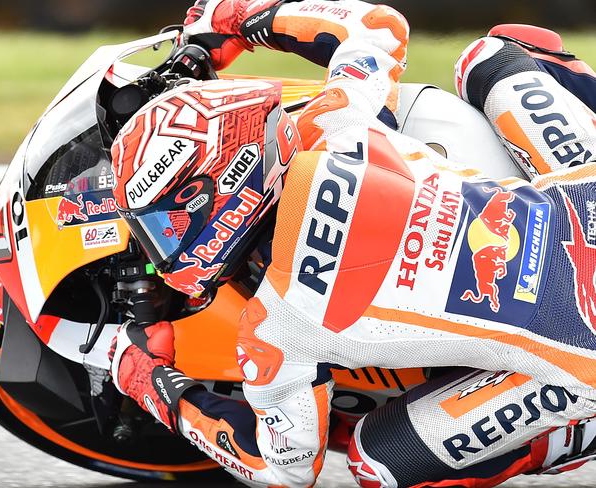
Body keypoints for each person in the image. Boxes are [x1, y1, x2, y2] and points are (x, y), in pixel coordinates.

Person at [108, 0, 596, 486]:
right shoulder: (339, 121)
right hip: (586, 197)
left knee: (374, 462)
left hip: (586, 352)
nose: (162, 247)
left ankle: (573, 434)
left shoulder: (276, 329)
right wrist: (240, 18)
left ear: (220, 193)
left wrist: (151, 384)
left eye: (164, 226)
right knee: (488, 58)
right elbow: (375, 25)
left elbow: (282, 471)